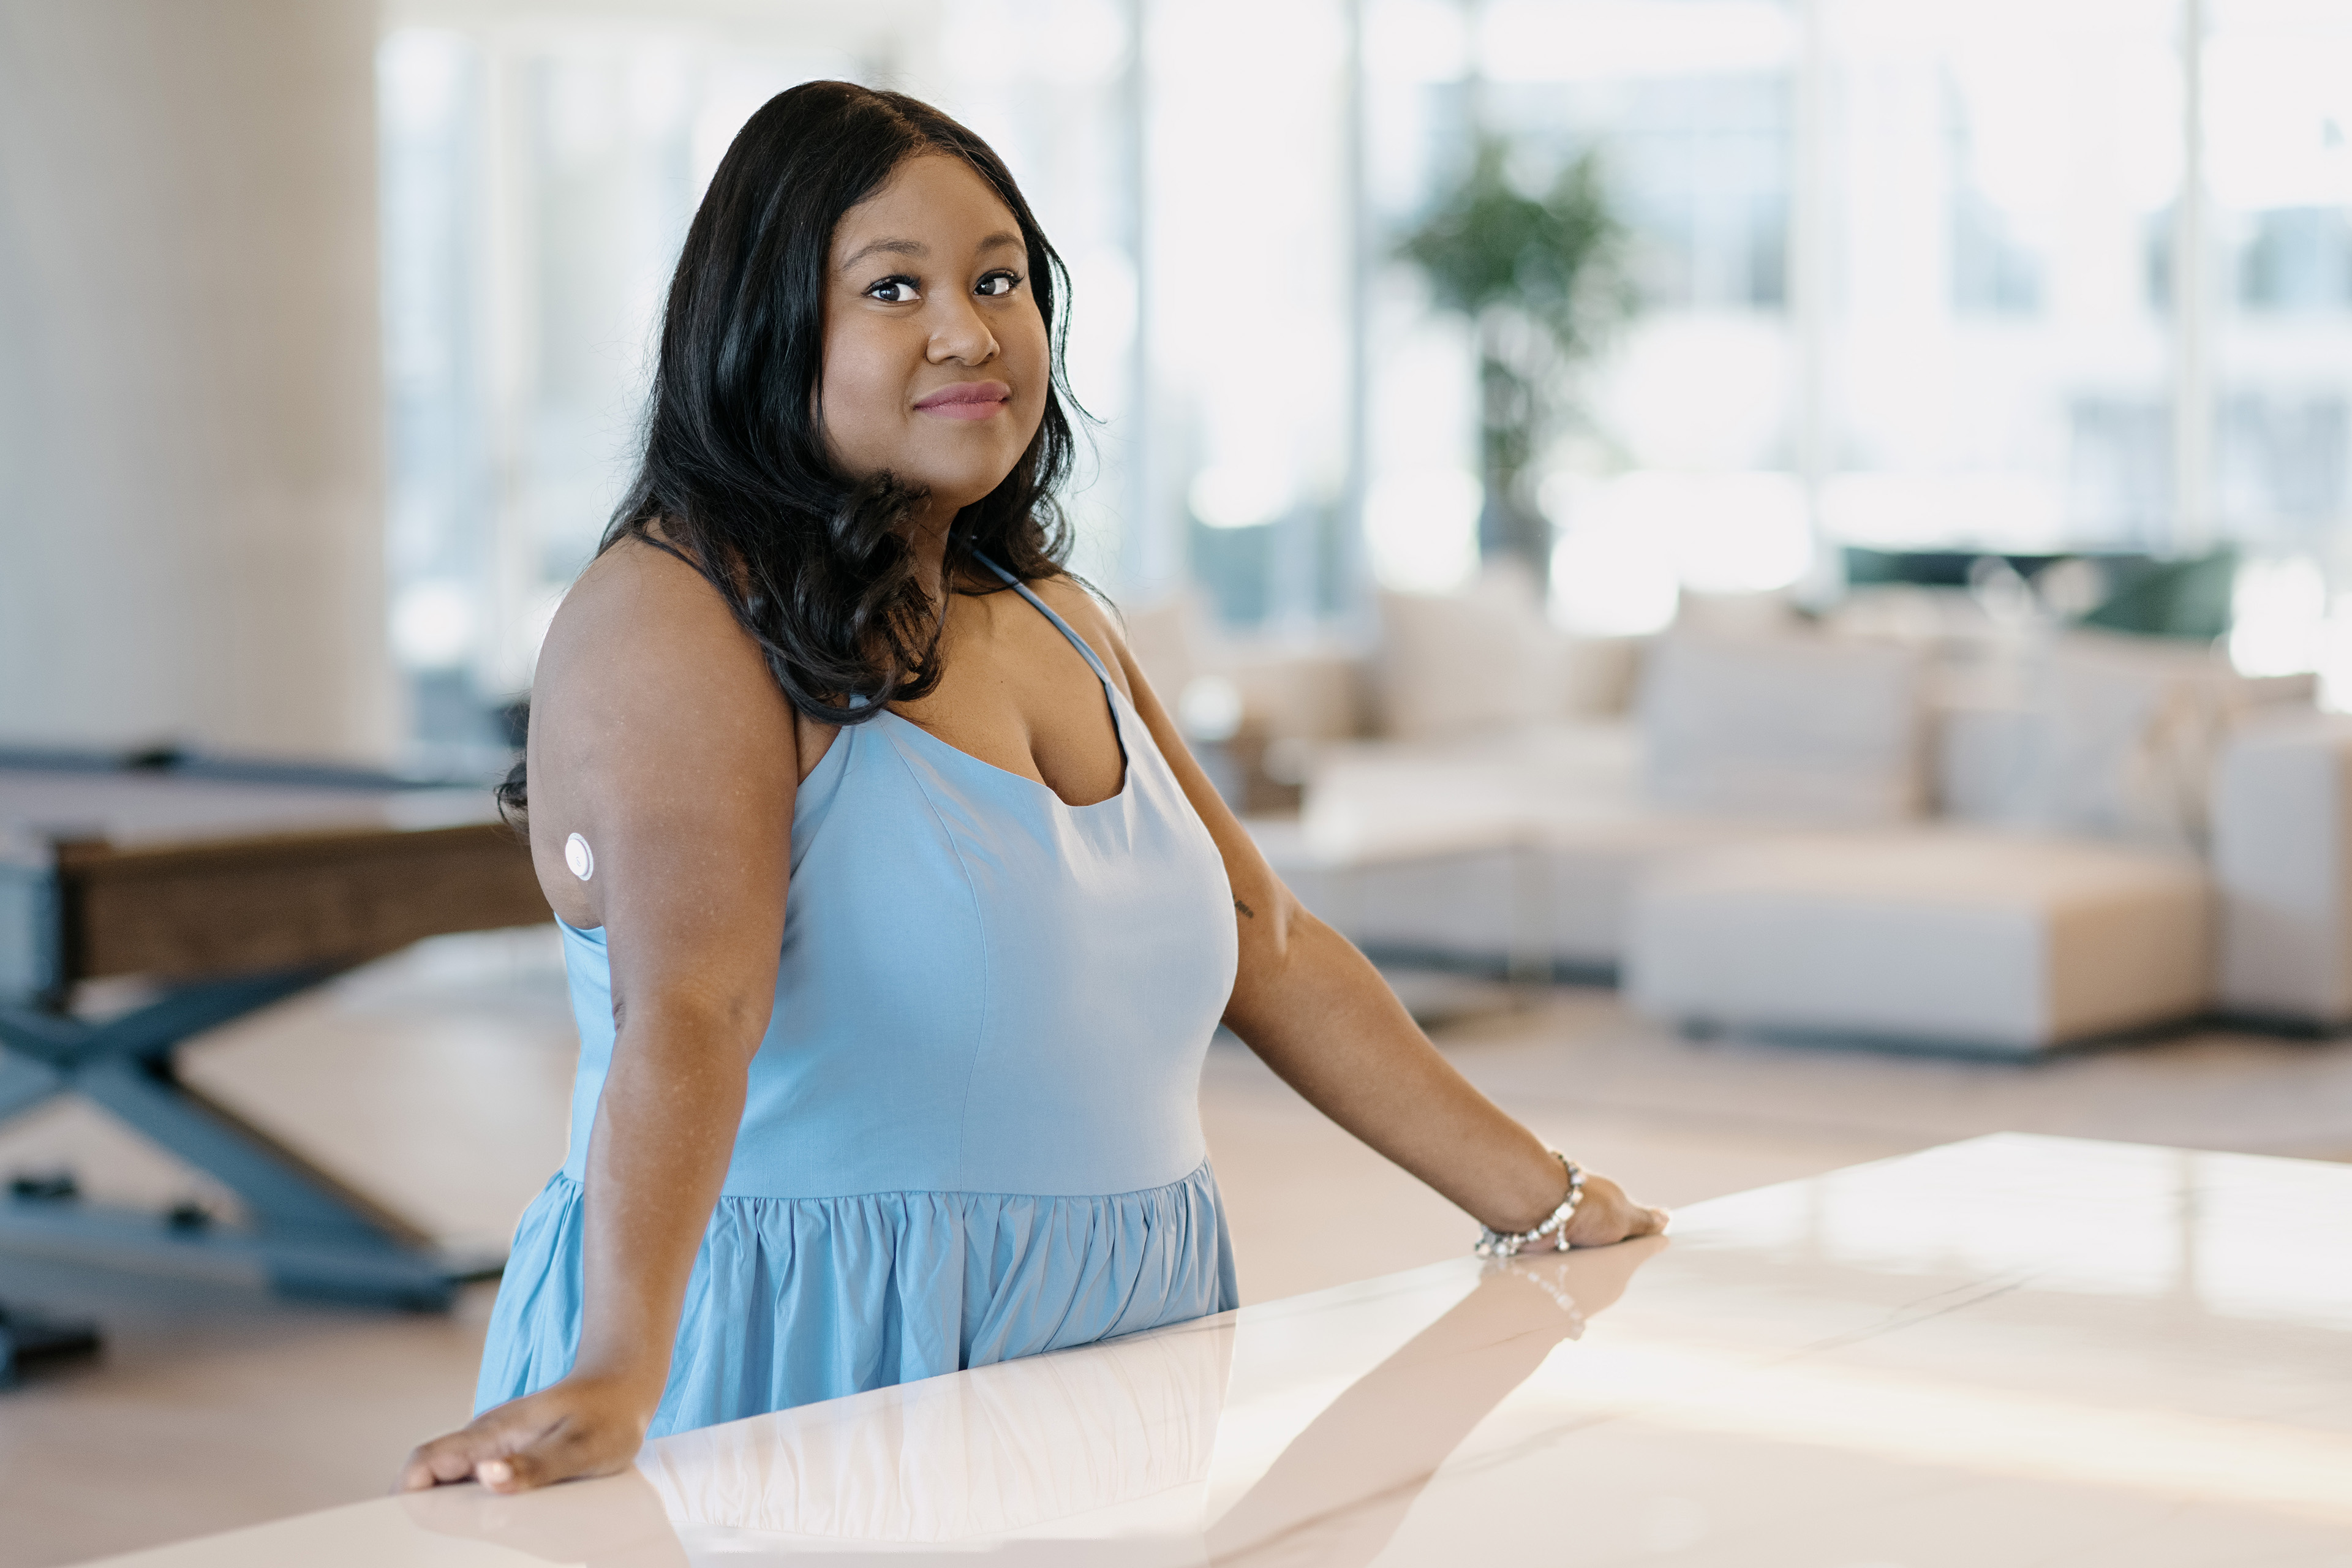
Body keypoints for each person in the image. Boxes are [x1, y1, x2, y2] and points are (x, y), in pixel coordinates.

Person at [399, 81, 1665, 1496]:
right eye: (895, 287)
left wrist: (1547, 1201)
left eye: (999, 278)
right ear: (766, 326)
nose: (970, 329)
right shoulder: (674, 614)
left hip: (1121, 1340)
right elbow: (693, 1006)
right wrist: (621, 1365)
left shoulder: (1059, 610)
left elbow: (1269, 943)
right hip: (801, 1353)